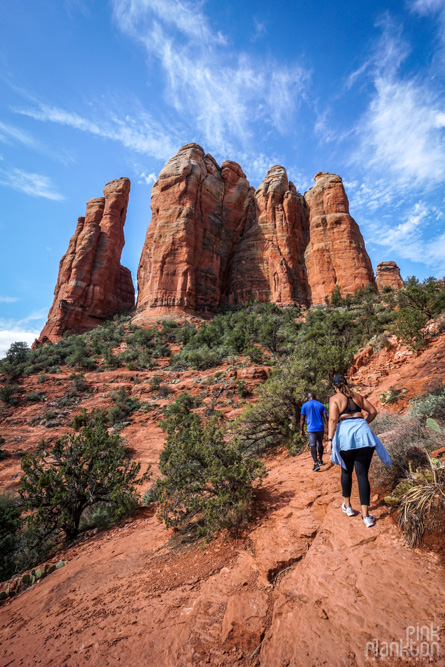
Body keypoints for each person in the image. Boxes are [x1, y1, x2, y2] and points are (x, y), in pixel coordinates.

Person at [326, 374, 392, 528]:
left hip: (345, 436)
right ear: (346, 383)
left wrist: (329, 441)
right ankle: (366, 516)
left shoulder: (335, 399)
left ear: (334, 386)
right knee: (362, 475)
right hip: (364, 434)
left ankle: (348, 507)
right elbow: (373, 411)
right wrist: (363, 424)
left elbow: (333, 420)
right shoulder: (357, 396)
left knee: (346, 471)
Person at [300, 392, 328, 472]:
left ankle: (315, 464)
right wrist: (328, 427)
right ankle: (320, 460)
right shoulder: (320, 405)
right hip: (320, 427)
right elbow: (325, 417)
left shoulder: (304, 405)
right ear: (314, 397)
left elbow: (302, 419)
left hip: (311, 429)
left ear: (307, 397)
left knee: (313, 445)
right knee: (320, 443)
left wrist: (301, 429)